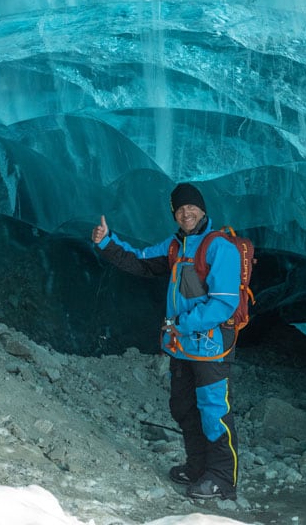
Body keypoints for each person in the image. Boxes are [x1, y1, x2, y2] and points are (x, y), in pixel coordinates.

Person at [91, 183, 241, 501]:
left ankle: (221, 478)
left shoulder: (220, 247)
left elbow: (224, 303)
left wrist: (183, 324)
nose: (186, 213)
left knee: (213, 409)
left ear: (203, 210)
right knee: (183, 406)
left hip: (209, 345)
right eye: (179, 209)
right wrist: (106, 242)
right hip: (182, 346)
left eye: (191, 207)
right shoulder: (176, 246)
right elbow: (140, 261)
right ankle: (198, 466)